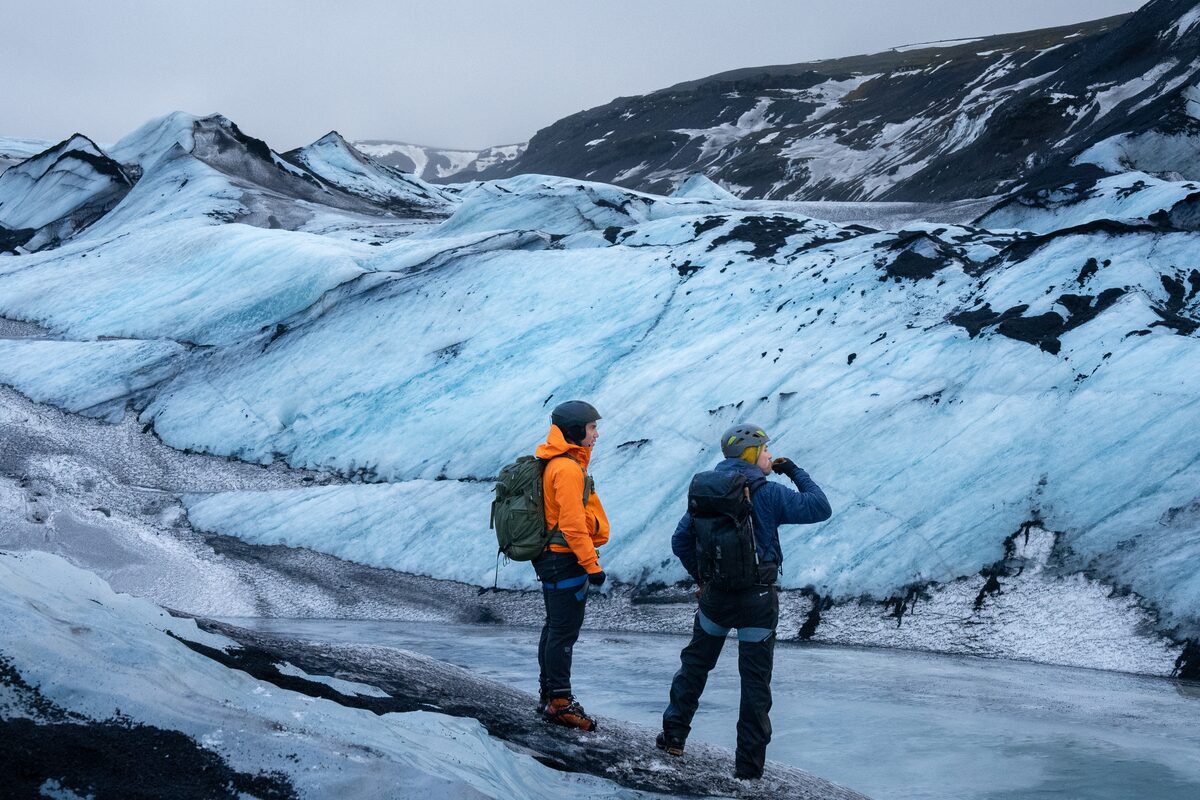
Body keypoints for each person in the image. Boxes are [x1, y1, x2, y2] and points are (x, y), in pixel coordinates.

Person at [658, 423, 831, 779]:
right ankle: (749, 769)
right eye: (765, 450)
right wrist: (794, 470)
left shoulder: (707, 491)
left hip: (716, 599)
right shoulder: (769, 494)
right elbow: (820, 507)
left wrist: (703, 578)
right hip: (758, 601)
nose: (769, 455)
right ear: (751, 454)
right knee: (754, 684)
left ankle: (674, 736)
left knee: (695, 666)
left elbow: (680, 541)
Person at [532, 400, 610, 730]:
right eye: (591, 428)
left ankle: (551, 695)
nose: (596, 433)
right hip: (564, 561)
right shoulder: (566, 469)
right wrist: (592, 566)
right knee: (563, 631)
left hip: (556, 559)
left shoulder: (563, 463)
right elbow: (573, 524)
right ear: (576, 430)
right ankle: (560, 703)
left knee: (555, 627)